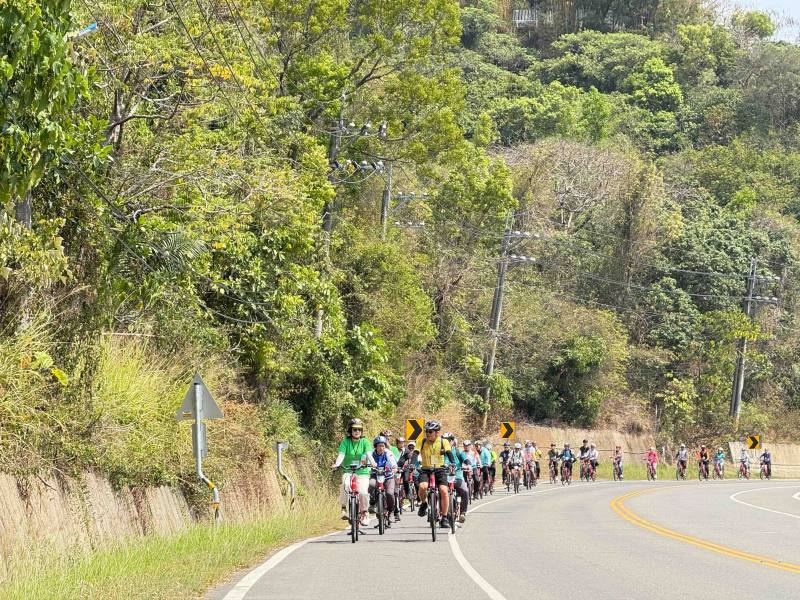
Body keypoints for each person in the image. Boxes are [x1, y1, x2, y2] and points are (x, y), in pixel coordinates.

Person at [331, 418, 376, 526]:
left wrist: (373, 463)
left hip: (362, 471)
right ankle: (344, 509)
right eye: (354, 429)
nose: (357, 432)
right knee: (345, 485)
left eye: (359, 430)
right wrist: (337, 464)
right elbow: (341, 455)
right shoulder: (345, 442)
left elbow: (369, 454)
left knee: (363, 492)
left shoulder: (365, 442)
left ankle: (364, 513)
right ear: (350, 430)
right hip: (348, 470)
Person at [416, 420, 456, 529]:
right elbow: (415, 453)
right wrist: (411, 464)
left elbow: (449, 453)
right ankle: (424, 503)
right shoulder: (422, 441)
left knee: (443, 490)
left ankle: (444, 517)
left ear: (437, 432)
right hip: (425, 469)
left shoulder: (444, 442)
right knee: (422, 486)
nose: (427, 434)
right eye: (426, 431)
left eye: (430, 432)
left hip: (439, 469)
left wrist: (452, 462)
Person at [369, 435, 398, 526]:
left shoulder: (388, 453)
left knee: (389, 493)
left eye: (383, 446)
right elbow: (367, 462)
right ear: (375, 446)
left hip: (388, 476)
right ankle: (373, 503)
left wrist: (394, 468)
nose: (381, 448)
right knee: (371, 484)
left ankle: (391, 512)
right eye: (379, 446)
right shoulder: (371, 453)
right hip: (375, 475)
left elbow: (393, 463)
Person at [444, 433, 470, 524]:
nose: (447, 442)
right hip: (445, 477)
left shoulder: (458, 451)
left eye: (449, 440)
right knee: (441, 492)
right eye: (445, 440)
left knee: (465, 491)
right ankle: (440, 513)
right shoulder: (441, 452)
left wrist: (468, 463)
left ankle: (463, 513)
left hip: (458, 476)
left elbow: (465, 458)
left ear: (452, 441)